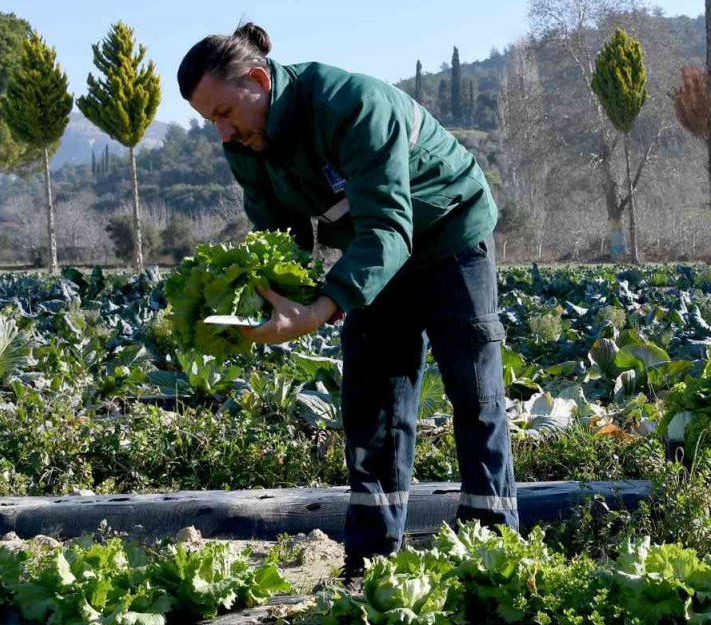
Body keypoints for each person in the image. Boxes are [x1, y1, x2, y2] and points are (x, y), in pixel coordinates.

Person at [177, 22, 518, 579]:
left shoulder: (352, 105)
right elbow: (280, 240)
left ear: (258, 81)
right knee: (372, 397)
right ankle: (371, 561)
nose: (222, 132)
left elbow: (389, 226)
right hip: (372, 248)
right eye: (209, 119)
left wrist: (322, 307)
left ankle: (493, 555)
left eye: (224, 112)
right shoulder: (245, 144)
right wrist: (268, 298)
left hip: (449, 232)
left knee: (473, 389)